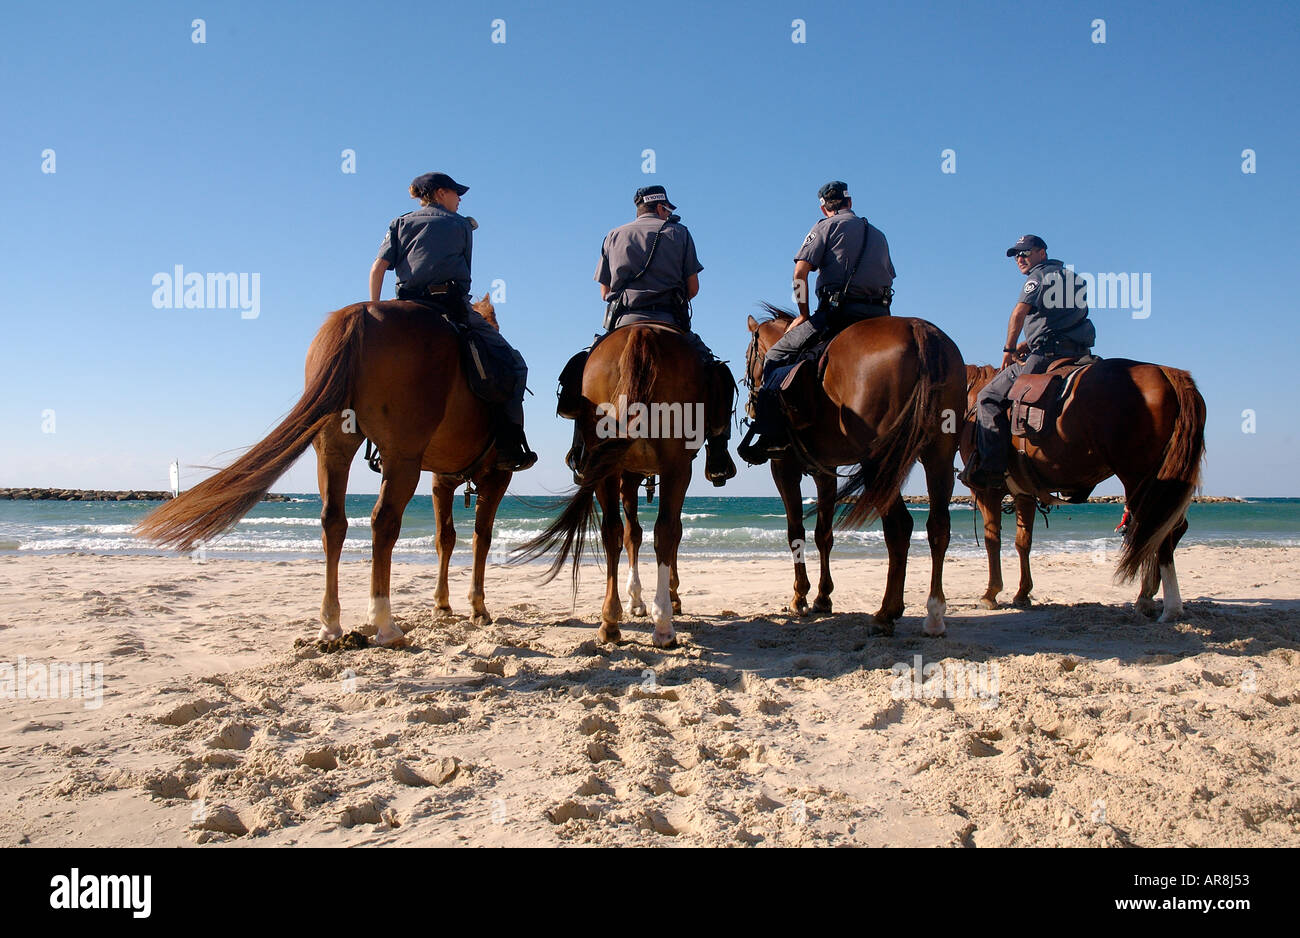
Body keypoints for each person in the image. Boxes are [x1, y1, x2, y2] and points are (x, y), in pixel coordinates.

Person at [561, 184, 736, 485]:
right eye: (668, 209)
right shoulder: (679, 234)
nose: (669, 214)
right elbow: (692, 288)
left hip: (621, 322)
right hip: (669, 321)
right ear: (660, 208)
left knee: (582, 367)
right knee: (716, 372)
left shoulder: (614, 235)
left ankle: (581, 448)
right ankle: (718, 450)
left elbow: (604, 293)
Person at [370, 172, 536, 472]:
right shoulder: (461, 224)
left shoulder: (399, 223)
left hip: (405, 303)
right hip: (451, 306)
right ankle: (511, 442)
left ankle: (377, 445)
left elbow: (377, 269)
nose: (460, 199)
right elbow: (465, 273)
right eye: (456, 193)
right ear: (441, 193)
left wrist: (377, 310)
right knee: (515, 364)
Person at [737, 180, 895, 464]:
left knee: (774, 356)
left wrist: (803, 312)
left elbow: (800, 273)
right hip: (880, 316)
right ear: (849, 202)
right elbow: (889, 276)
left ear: (823, 207)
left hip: (837, 315)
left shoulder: (823, 227)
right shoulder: (879, 235)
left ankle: (774, 437)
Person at [960, 234, 1096, 490]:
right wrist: (1028, 343)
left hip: (1047, 355)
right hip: (1079, 353)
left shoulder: (1038, 277)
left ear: (1042, 253)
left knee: (988, 397)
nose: (1020, 258)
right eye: (1016, 255)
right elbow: (1063, 320)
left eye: (1026, 252)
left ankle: (992, 469)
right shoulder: (1075, 279)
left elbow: (1018, 313)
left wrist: (1009, 349)